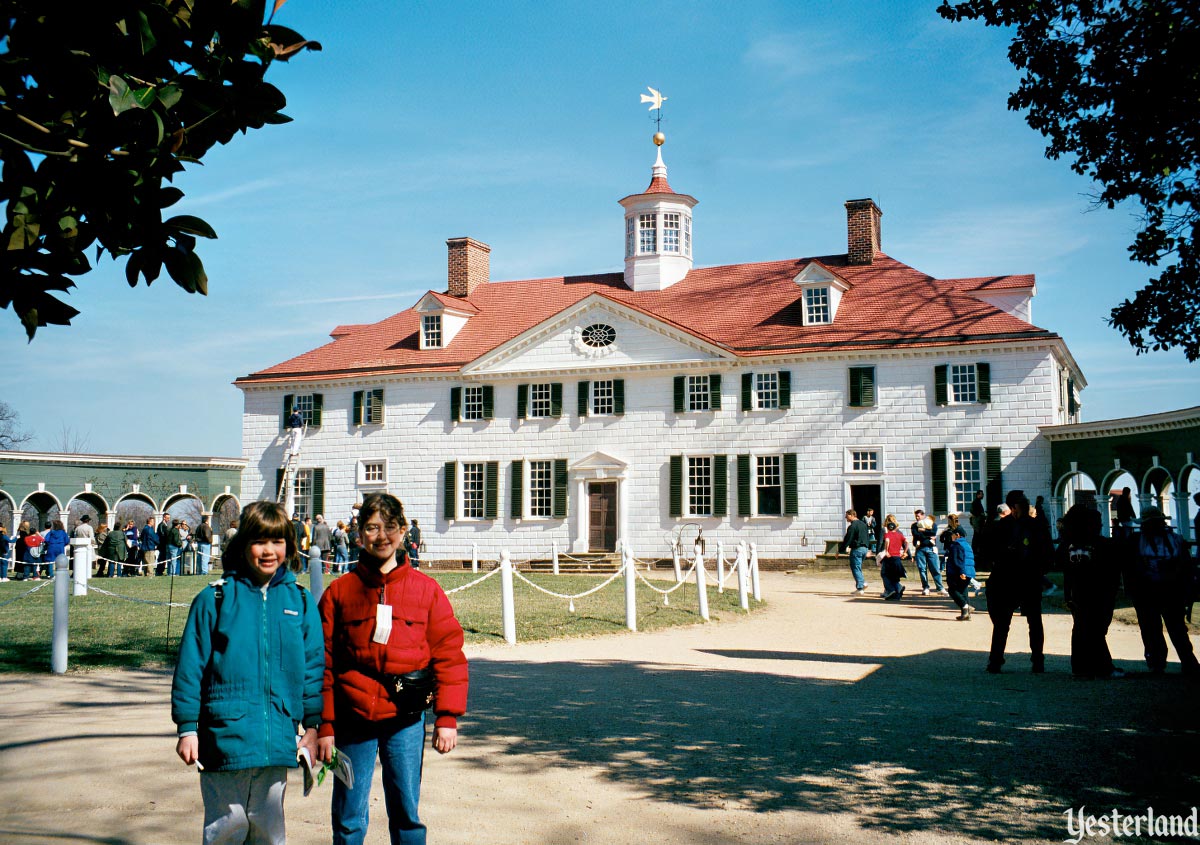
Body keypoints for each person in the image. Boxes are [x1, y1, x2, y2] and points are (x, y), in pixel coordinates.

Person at [317, 491, 468, 845]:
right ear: (359, 535)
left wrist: (447, 717)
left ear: (403, 532)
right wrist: (323, 723)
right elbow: (320, 661)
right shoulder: (339, 593)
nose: (381, 536)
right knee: (349, 816)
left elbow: (449, 654)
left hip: (405, 719)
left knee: (406, 813)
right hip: (352, 719)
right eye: (372, 528)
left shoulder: (427, 591)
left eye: (390, 527)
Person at [172, 499, 323, 844]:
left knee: (269, 832)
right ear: (243, 545)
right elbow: (190, 668)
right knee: (227, 827)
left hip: (277, 741)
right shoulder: (214, 600)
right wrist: (187, 728)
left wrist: (313, 727)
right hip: (225, 740)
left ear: (288, 544)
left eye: (277, 541)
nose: (269, 551)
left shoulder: (299, 602)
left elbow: (314, 669)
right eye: (259, 541)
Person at [1122, 506, 1199, 676]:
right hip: (1158, 591)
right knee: (1165, 628)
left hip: (1160, 591)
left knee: (1163, 628)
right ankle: (1177, 662)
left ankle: (1167, 662)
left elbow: (1128, 567)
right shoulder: (1175, 540)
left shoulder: (1138, 540)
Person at [984, 494, 1053, 674]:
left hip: (1007, 578)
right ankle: (1037, 660)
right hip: (1029, 578)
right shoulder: (1037, 525)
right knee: (1034, 622)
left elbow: (988, 552)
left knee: (1002, 623)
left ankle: (995, 660)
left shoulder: (1001, 526)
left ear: (1013, 508)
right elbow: (1048, 554)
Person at [1058, 504, 1122, 678]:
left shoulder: (1067, 545)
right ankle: (1102, 666)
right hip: (1098, 592)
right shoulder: (1102, 544)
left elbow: (1064, 568)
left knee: (1081, 628)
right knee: (1096, 629)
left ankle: (1080, 666)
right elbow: (1111, 570)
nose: (1101, 525)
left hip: (1077, 592)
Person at [910, 508, 945, 595]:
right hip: (920, 549)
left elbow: (933, 532)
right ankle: (925, 587)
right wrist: (928, 536)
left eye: (918, 516)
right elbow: (916, 534)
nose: (917, 518)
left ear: (923, 516)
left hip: (931, 548)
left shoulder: (932, 524)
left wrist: (923, 531)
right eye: (916, 516)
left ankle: (940, 587)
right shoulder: (914, 525)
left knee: (935, 569)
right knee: (922, 569)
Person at [945, 525, 976, 620]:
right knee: (963, 591)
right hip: (969, 571)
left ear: (957, 535)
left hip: (959, 571)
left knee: (952, 590)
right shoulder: (966, 544)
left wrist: (961, 571)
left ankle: (966, 606)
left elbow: (958, 560)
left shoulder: (956, 545)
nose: (951, 537)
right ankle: (966, 614)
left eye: (952, 535)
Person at [876, 515, 908, 601]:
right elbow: (905, 543)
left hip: (888, 556)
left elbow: (882, 542)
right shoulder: (899, 533)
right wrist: (906, 553)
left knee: (885, 574)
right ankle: (896, 591)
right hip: (897, 556)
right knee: (893, 575)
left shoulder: (885, 532)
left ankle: (891, 590)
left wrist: (880, 552)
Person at [840, 509, 871, 594]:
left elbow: (848, 539)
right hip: (865, 548)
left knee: (855, 568)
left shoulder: (852, 526)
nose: (846, 518)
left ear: (851, 515)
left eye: (847, 516)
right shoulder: (864, 524)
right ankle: (862, 582)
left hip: (857, 549)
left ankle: (860, 587)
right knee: (858, 567)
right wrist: (868, 548)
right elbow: (867, 537)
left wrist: (841, 550)